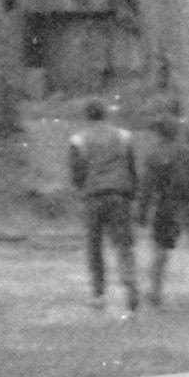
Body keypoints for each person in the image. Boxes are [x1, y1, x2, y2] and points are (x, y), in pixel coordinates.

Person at [139, 109, 189, 315]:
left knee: (160, 251)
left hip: (167, 206)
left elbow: (147, 187)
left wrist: (141, 212)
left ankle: (155, 293)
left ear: (158, 134)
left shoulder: (154, 156)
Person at [67, 97, 142, 312]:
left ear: (86, 116)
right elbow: (131, 168)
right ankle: (130, 285)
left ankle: (98, 293)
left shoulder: (78, 140)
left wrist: (84, 188)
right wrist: (132, 193)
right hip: (120, 195)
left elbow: (76, 173)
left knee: (94, 246)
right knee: (123, 244)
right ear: (106, 114)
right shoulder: (124, 136)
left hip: (94, 196)